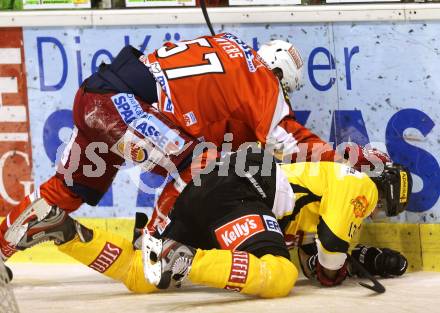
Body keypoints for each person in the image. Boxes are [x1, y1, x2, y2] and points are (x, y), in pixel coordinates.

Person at [0, 32, 343, 261]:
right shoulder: (261, 79)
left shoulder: (229, 53)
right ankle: (154, 250)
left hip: (95, 98)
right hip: (121, 106)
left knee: (65, 190)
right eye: (285, 92)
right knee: (198, 165)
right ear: (279, 75)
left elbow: (224, 135)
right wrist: (348, 160)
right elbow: (290, 139)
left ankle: (2, 245)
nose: (282, 100)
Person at [17, 148, 411, 298]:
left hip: (211, 192)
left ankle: (62, 230)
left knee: (142, 274)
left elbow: (316, 249)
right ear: (383, 187)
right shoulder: (358, 183)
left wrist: (366, 260)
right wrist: (337, 266)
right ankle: (186, 259)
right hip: (243, 190)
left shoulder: (322, 193)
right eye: (382, 207)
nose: (372, 213)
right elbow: (328, 256)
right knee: (278, 277)